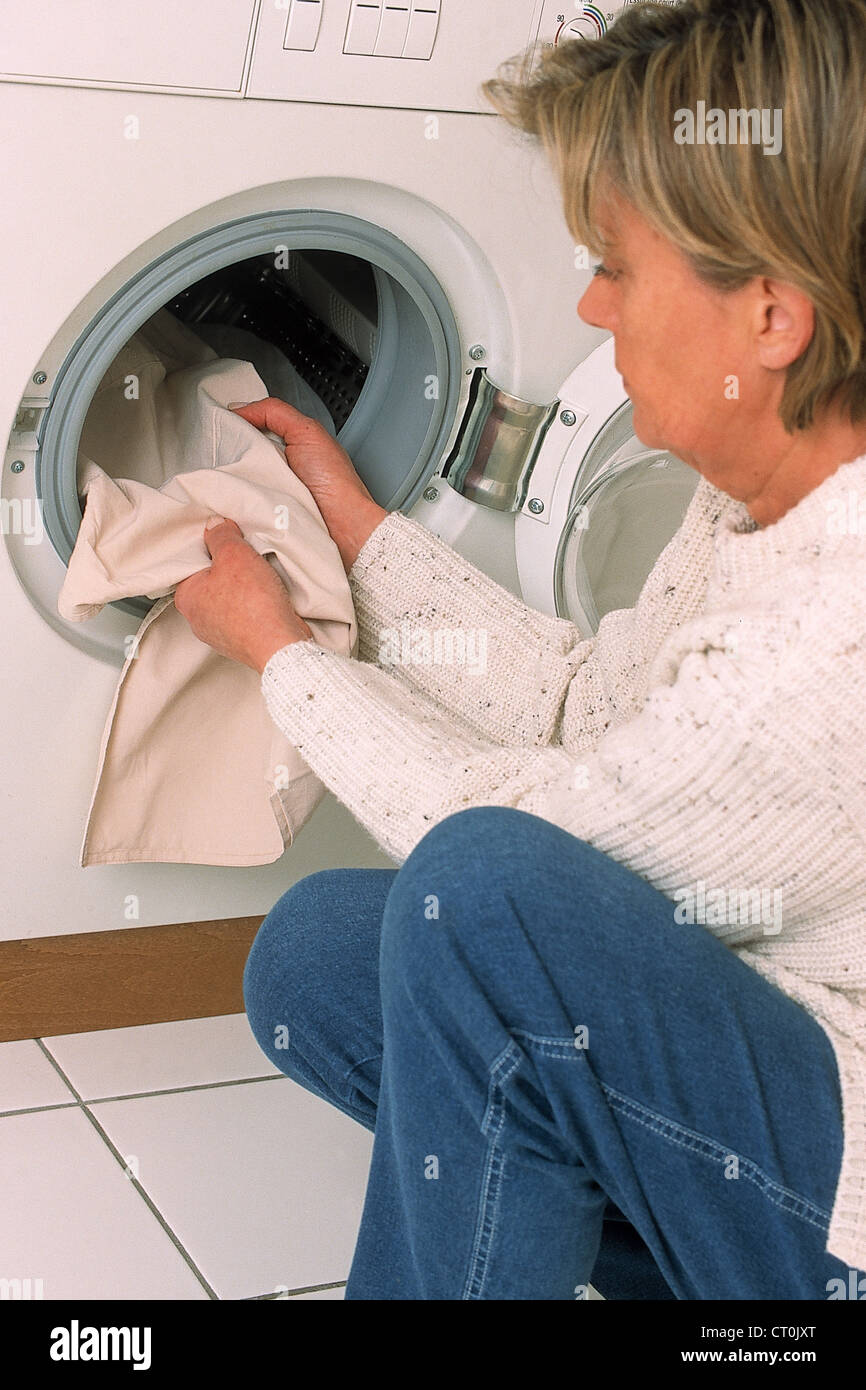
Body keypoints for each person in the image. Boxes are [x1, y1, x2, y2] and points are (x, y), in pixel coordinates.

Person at [174, 0, 866, 1299]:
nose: (589, 303)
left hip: (845, 1196)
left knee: (483, 902)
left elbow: (514, 847)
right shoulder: (753, 504)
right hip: (773, 1039)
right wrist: (361, 527)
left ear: (770, 317)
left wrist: (284, 658)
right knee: (321, 954)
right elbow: (575, 702)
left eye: (614, 261)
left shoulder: (830, 640)